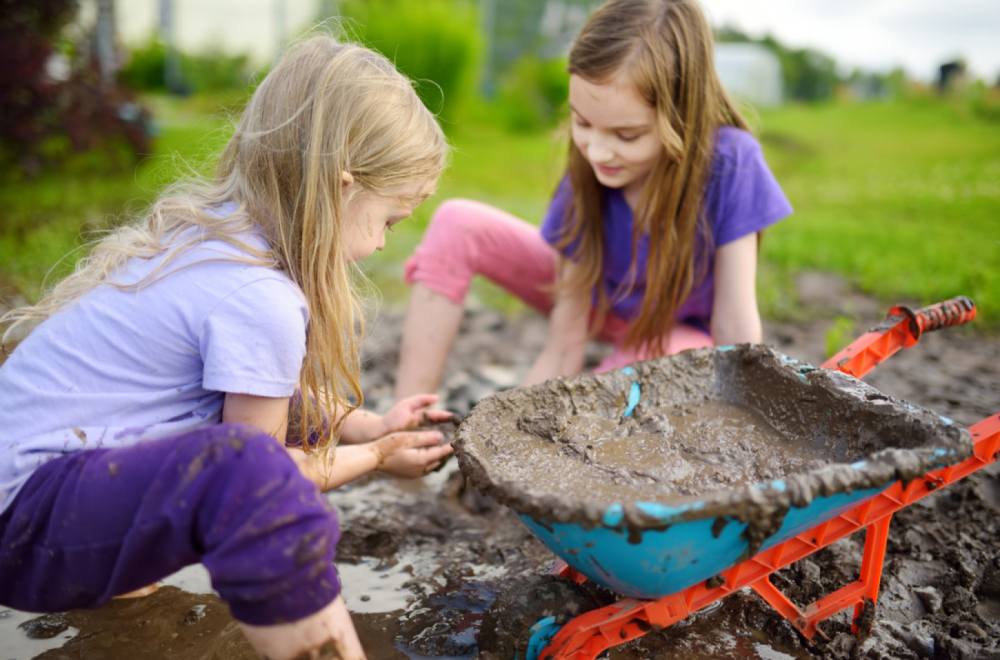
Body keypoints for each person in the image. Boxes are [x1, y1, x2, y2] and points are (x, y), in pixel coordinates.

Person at [0, 35, 453, 660]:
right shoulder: (258, 296)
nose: (381, 245)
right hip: (25, 523)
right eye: (389, 221)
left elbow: (267, 388)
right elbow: (266, 475)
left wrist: (369, 426)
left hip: (34, 497)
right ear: (341, 188)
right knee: (250, 481)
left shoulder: (216, 240)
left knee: (218, 463)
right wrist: (373, 457)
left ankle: (126, 622)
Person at [394, 0, 793, 401]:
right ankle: (403, 423)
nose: (597, 152)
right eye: (582, 123)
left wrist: (746, 403)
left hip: (674, 332)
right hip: (598, 305)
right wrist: (516, 421)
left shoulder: (731, 162)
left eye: (627, 135)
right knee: (457, 222)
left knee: (624, 382)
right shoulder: (590, 166)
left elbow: (734, 326)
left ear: (682, 115)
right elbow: (565, 341)